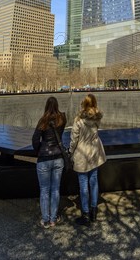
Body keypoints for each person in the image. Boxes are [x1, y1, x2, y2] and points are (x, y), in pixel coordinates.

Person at [69, 93, 106, 226]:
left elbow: (74, 139)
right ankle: (94, 211)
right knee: (94, 182)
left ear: (83, 104)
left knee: (83, 185)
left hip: (82, 154)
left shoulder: (78, 120)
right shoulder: (97, 118)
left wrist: (70, 151)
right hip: (94, 153)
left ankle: (85, 214)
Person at [32, 96, 67, 229]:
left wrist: (39, 150)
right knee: (55, 189)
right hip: (58, 158)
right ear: (57, 105)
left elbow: (35, 139)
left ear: (46, 106)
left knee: (45, 190)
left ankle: (45, 220)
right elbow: (60, 132)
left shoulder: (43, 120)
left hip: (44, 159)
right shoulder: (62, 119)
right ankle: (53, 219)